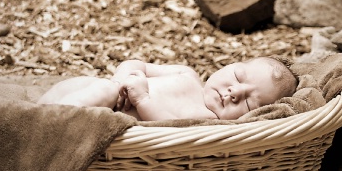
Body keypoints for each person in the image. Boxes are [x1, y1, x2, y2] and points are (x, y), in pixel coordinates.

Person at [37, 56, 297, 121]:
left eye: (249, 103)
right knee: (104, 91)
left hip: (91, 117)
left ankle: (45, 121)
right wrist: (122, 81)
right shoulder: (186, 74)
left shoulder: (208, 121)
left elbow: (170, 128)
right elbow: (137, 63)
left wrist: (143, 100)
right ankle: (44, 120)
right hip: (90, 93)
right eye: (238, 75)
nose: (235, 91)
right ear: (230, 64)